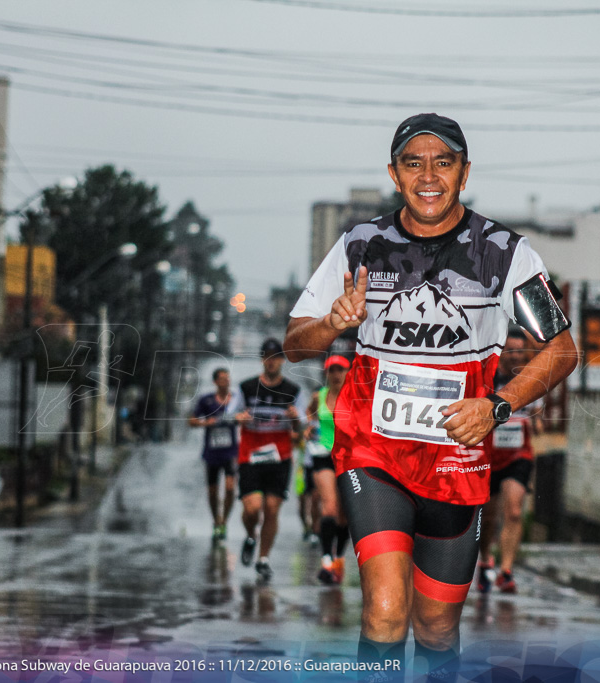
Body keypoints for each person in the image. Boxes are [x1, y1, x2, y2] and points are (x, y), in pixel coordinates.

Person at [283, 113, 578, 682]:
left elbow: (561, 351)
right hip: (375, 451)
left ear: (464, 174)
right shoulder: (360, 245)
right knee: (386, 610)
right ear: (394, 173)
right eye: (413, 162)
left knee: (437, 627)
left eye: (443, 162)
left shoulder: (505, 253)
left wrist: (496, 407)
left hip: (457, 460)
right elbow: (296, 343)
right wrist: (331, 324)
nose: (428, 175)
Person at [476, 330, 542, 595]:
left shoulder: (529, 379)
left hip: (518, 454)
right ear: (500, 353)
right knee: (489, 516)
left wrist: (536, 420)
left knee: (514, 511)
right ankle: (484, 561)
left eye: (519, 351)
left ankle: (506, 571)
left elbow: (537, 413)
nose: (515, 356)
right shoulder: (488, 380)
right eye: (511, 350)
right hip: (489, 457)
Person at [234, 338, 304, 583]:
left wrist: (295, 419)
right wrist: (239, 417)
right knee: (252, 508)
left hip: (279, 456)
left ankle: (263, 559)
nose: (271, 361)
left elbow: (301, 422)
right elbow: (233, 412)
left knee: (272, 510)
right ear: (262, 359)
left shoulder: (293, 391)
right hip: (251, 454)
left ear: (282, 361)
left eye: (276, 357)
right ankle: (250, 535)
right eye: (267, 357)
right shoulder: (247, 387)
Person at [304, 354, 353, 585]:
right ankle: (325, 560)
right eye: (332, 371)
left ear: (348, 373)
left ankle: (339, 557)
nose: (336, 375)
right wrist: (308, 429)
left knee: (345, 514)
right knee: (330, 507)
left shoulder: (356, 398)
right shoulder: (319, 396)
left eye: (340, 370)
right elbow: (309, 414)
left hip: (349, 458)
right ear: (326, 373)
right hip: (323, 456)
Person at [187, 368, 240, 545]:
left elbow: (247, 416)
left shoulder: (235, 400)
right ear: (215, 382)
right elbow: (192, 421)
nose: (226, 382)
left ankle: (224, 521)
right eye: (222, 379)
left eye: (228, 378)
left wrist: (239, 418)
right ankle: (216, 520)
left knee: (231, 487)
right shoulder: (207, 401)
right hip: (212, 452)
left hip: (230, 452)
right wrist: (205, 423)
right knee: (212, 491)